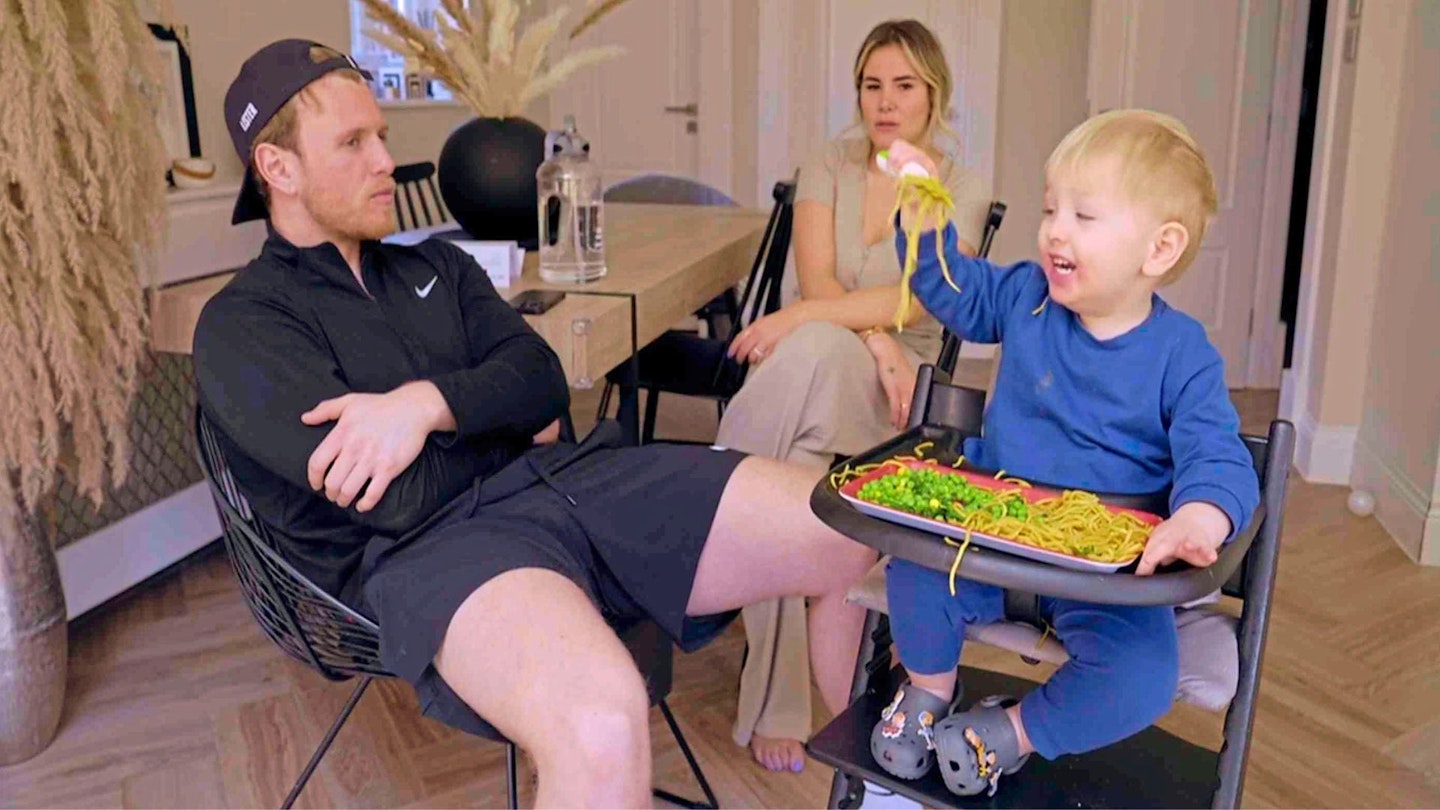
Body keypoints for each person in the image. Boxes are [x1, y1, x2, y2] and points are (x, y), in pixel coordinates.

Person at [193, 40, 877, 807]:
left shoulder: (440, 268)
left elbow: (545, 384)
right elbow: (399, 499)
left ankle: (883, 790)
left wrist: (428, 407)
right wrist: (503, 423)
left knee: (853, 528)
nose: (387, 159)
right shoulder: (243, 327)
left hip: (570, 481)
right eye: (353, 143)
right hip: (434, 553)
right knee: (601, 726)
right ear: (278, 169)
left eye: (381, 135)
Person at [866, 111, 1261, 796]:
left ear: (1159, 250)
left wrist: (1202, 515)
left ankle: (1011, 733)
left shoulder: (1184, 355)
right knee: (913, 572)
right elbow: (950, 288)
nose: (1055, 229)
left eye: (1084, 215)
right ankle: (929, 694)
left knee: (1141, 678)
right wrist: (925, 222)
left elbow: (1218, 455)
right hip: (987, 543)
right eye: (1051, 209)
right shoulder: (1024, 297)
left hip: (1104, 576)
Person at [713, 19, 991, 773]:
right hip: (840, 363)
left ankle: (718, 478)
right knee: (796, 459)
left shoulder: (958, 185)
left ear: (935, 94)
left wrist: (831, 326)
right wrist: (863, 337)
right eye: (873, 85)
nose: (885, 102)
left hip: (904, 390)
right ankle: (737, 481)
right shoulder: (827, 163)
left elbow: (924, 301)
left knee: (795, 376)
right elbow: (820, 281)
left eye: (904, 86)